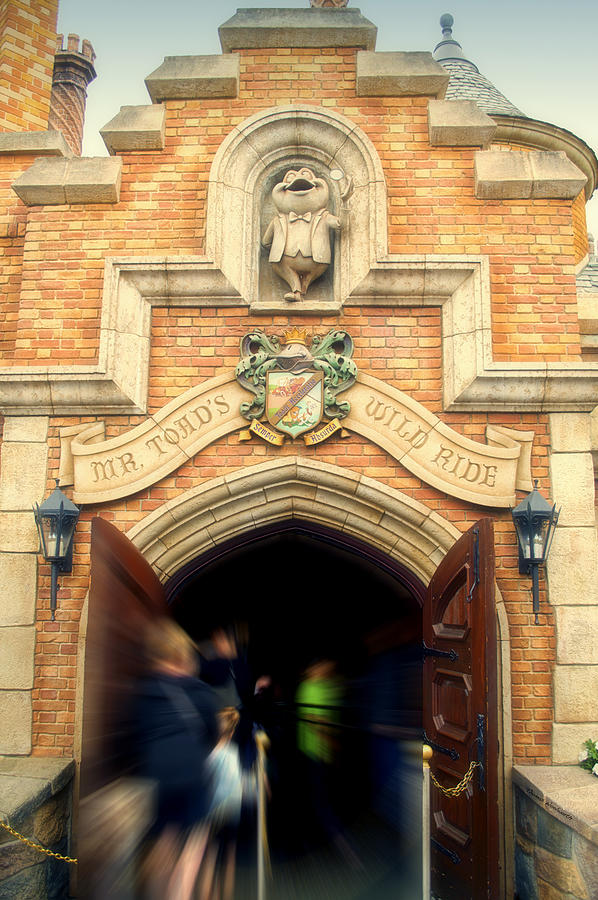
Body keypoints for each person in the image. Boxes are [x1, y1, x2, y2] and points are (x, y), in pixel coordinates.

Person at [133, 618, 218, 900]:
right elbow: (212, 734)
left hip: (158, 775)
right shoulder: (199, 691)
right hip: (192, 771)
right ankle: (180, 892)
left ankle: (157, 891)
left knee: (164, 839)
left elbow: (135, 733)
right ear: (182, 653)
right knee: (196, 839)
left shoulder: (144, 691)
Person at [200, 707, 244, 900]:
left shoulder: (211, 755)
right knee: (229, 857)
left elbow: (203, 782)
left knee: (209, 857)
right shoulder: (234, 754)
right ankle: (225, 895)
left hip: (214, 810)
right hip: (233, 810)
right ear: (232, 732)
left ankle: (209, 895)